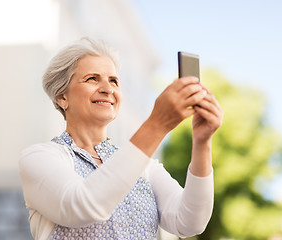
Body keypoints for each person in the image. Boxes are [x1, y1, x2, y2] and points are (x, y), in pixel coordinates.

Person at [19, 37, 223, 240]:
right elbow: (82, 206)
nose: (108, 89)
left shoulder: (144, 167)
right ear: (62, 97)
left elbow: (190, 221)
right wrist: (157, 124)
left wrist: (202, 143)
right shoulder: (39, 158)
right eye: (92, 78)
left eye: (113, 81)